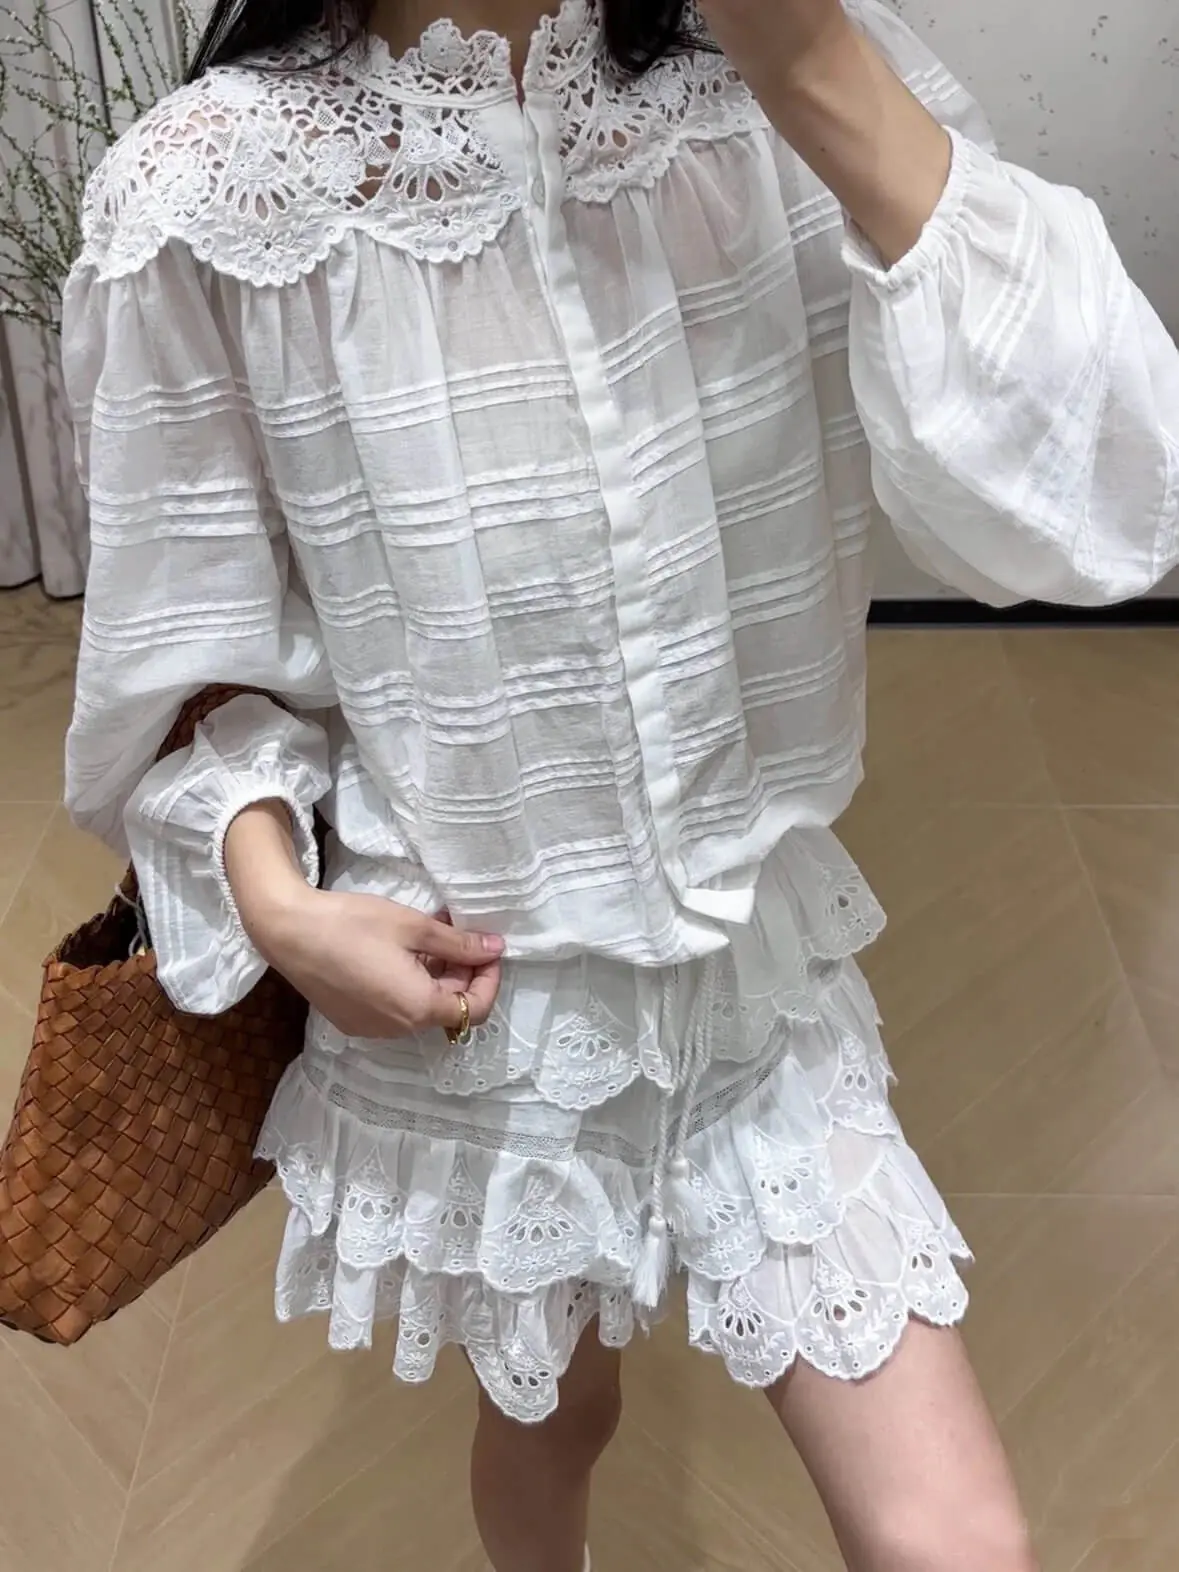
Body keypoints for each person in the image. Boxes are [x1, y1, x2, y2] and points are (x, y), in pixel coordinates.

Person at [61, 0, 1178, 1566]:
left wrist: (811, 67)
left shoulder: (771, 90)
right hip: (464, 994)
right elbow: (189, 645)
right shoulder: (211, 189)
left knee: (958, 1544)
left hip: (749, 987)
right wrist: (278, 904)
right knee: (554, 1412)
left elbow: (1108, 499)